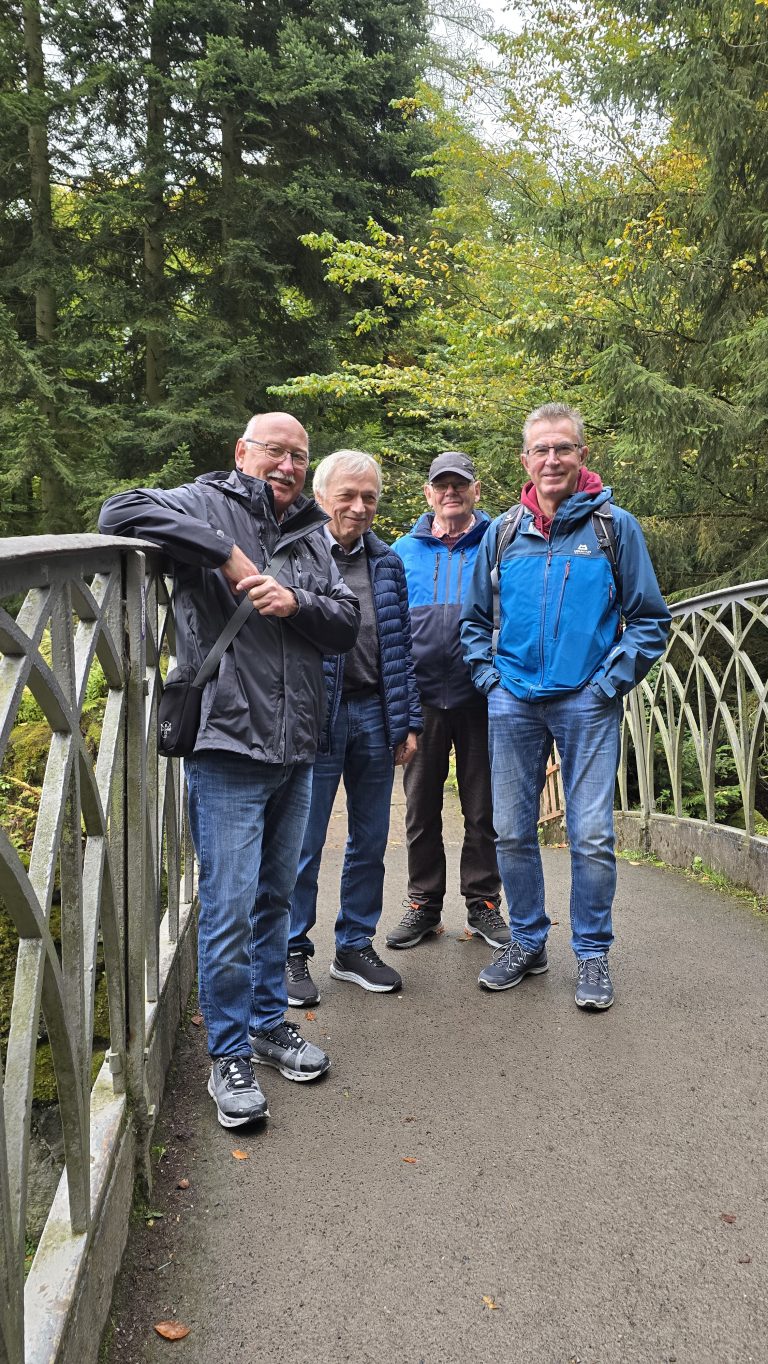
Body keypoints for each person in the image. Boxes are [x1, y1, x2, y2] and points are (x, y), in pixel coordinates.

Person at [99, 412, 360, 1126]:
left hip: (298, 743)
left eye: (298, 455)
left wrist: (295, 599)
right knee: (229, 906)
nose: (287, 464)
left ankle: (270, 1026)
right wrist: (229, 558)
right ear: (242, 452)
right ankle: (227, 1054)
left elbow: (344, 621)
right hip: (227, 741)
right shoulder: (203, 502)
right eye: (274, 450)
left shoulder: (311, 531)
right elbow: (118, 509)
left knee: (277, 896)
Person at [460, 402, 671, 1009]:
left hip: (587, 700)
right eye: (541, 450)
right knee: (510, 830)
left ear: (583, 455)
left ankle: (593, 954)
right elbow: (475, 623)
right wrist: (491, 681)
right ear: (525, 460)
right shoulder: (503, 532)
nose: (552, 459)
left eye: (564, 448)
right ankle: (527, 941)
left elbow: (649, 620)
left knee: (592, 833)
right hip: (514, 701)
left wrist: (608, 684)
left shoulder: (613, 528)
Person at [286, 450, 422, 1005]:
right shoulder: (294, 554)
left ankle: (354, 945)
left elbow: (400, 646)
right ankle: (291, 950)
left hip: (374, 712)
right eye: (347, 495)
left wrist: (407, 720)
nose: (359, 507)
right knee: (303, 841)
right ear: (320, 497)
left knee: (369, 839)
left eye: (369, 497)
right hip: (315, 712)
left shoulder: (386, 562)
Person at [386, 451, 507, 951]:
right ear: (428, 493)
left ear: (476, 491)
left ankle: (482, 903)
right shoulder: (401, 551)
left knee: (484, 807)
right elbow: (389, 628)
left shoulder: (503, 541)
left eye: (460, 485)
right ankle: (423, 903)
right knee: (420, 806)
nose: (451, 492)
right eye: (442, 485)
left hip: (482, 694)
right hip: (422, 699)